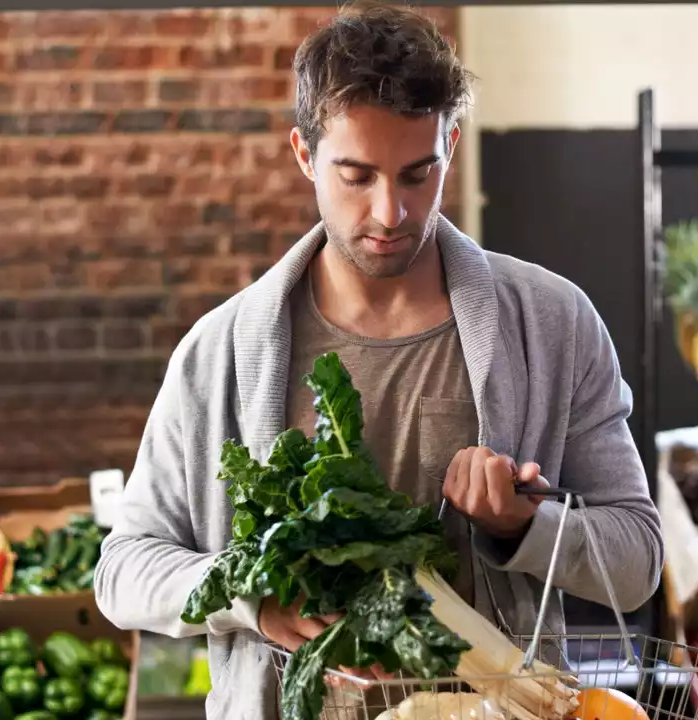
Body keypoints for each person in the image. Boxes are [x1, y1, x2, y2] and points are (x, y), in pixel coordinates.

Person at [94, 3, 663, 717]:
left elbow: (638, 559)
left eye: (417, 174)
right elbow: (122, 572)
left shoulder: (553, 324)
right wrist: (251, 599)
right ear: (304, 155)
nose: (390, 211)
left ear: (451, 145)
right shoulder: (218, 354)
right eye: (356, 176)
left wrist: (522, 527)